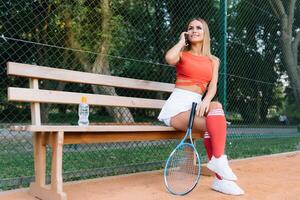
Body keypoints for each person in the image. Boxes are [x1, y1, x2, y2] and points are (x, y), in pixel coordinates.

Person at [158, 18, 244, 195]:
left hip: (197, 105)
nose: (194, 30)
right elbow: (169, 58)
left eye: (198, 28)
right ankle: (220, 174)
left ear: (205, 33)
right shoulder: (182, 53)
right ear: (187, 33)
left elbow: (212, 87)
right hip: (177, 108)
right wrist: (181, 42)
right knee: (214, 125)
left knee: (216, 105)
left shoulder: (214, 60)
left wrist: (205, 101)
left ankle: (218, 167)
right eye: (190, 28)